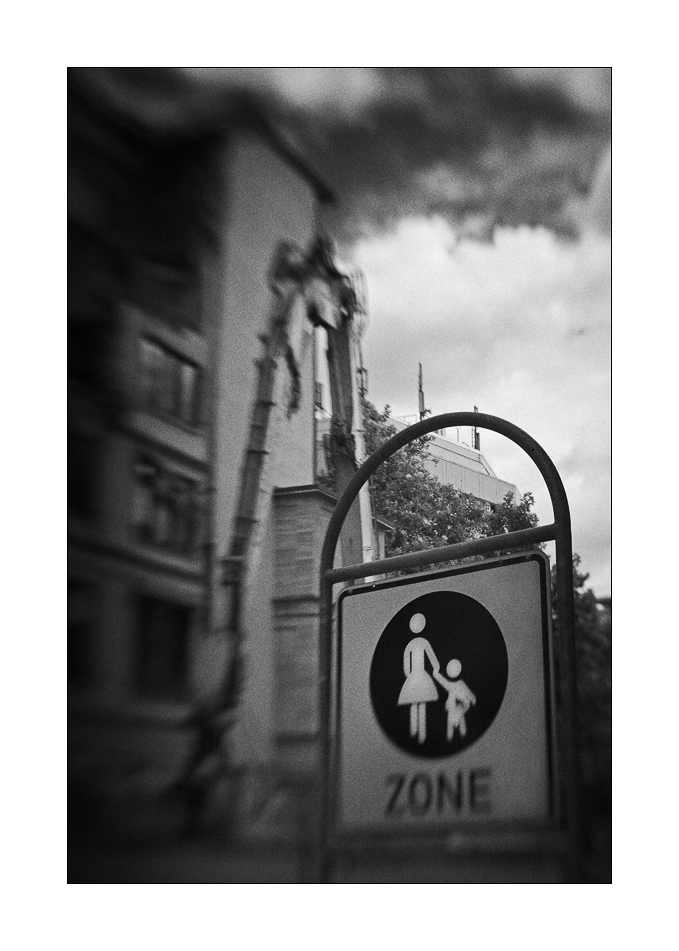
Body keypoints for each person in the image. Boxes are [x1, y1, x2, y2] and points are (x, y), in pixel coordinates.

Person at [398, 614, 441, 744]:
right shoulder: (416, 643)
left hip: (417, 675)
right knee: (415, 702)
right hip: (417, 676)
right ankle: (414, 731)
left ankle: (420, 732)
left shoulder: (421, 642)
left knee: (420, 702)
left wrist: (435, 667)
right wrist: (435, 667)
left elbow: (431, 656)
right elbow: (406, 662)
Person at [434, 659, 476, 740]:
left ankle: (461, 734)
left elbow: (468, 692)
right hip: (453, 706)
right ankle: (451, 736)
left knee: (460, 719)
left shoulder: (459, 684)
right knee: (452, 721)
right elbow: (443, 681)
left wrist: (472, 698)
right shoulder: (453, 685)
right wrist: (436, 674)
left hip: (460, 705)